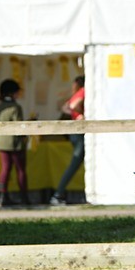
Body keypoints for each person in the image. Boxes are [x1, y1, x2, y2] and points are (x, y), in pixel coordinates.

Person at [0, 79, 30, 207]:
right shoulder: (16, 107)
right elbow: (18, 125)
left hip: (2, 141)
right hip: (15, 143)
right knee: (20, 170)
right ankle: (24, 197)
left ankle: (2, 197)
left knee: (5, 169)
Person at [51, 75, 85, 205]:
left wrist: (73, 114)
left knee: (75, 164)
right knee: (74, 164)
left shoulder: (75, 94)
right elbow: (73, 105)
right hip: (79, 132)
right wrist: (81, 114)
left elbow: (66, 107)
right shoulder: (83, 91)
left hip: (74, 132)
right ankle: (58, 194)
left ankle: (59, 194)